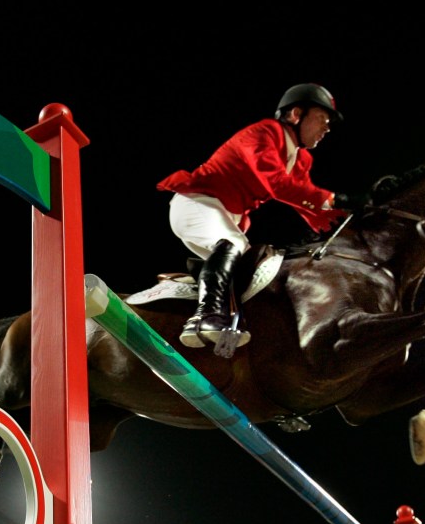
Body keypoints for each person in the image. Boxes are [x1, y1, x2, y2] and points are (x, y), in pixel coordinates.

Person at [156, 83, 368, 350]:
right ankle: (204, 318)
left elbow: (308, 206)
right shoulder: (264, 133)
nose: (327, 128)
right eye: (322, 119)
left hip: (224, 213)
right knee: (232, 244)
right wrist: (335, 198)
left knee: (244, 255)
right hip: (197, 202)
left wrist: (356, 212)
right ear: (295, 114)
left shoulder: (301, 160)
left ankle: (222, 315)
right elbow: (278, 185)